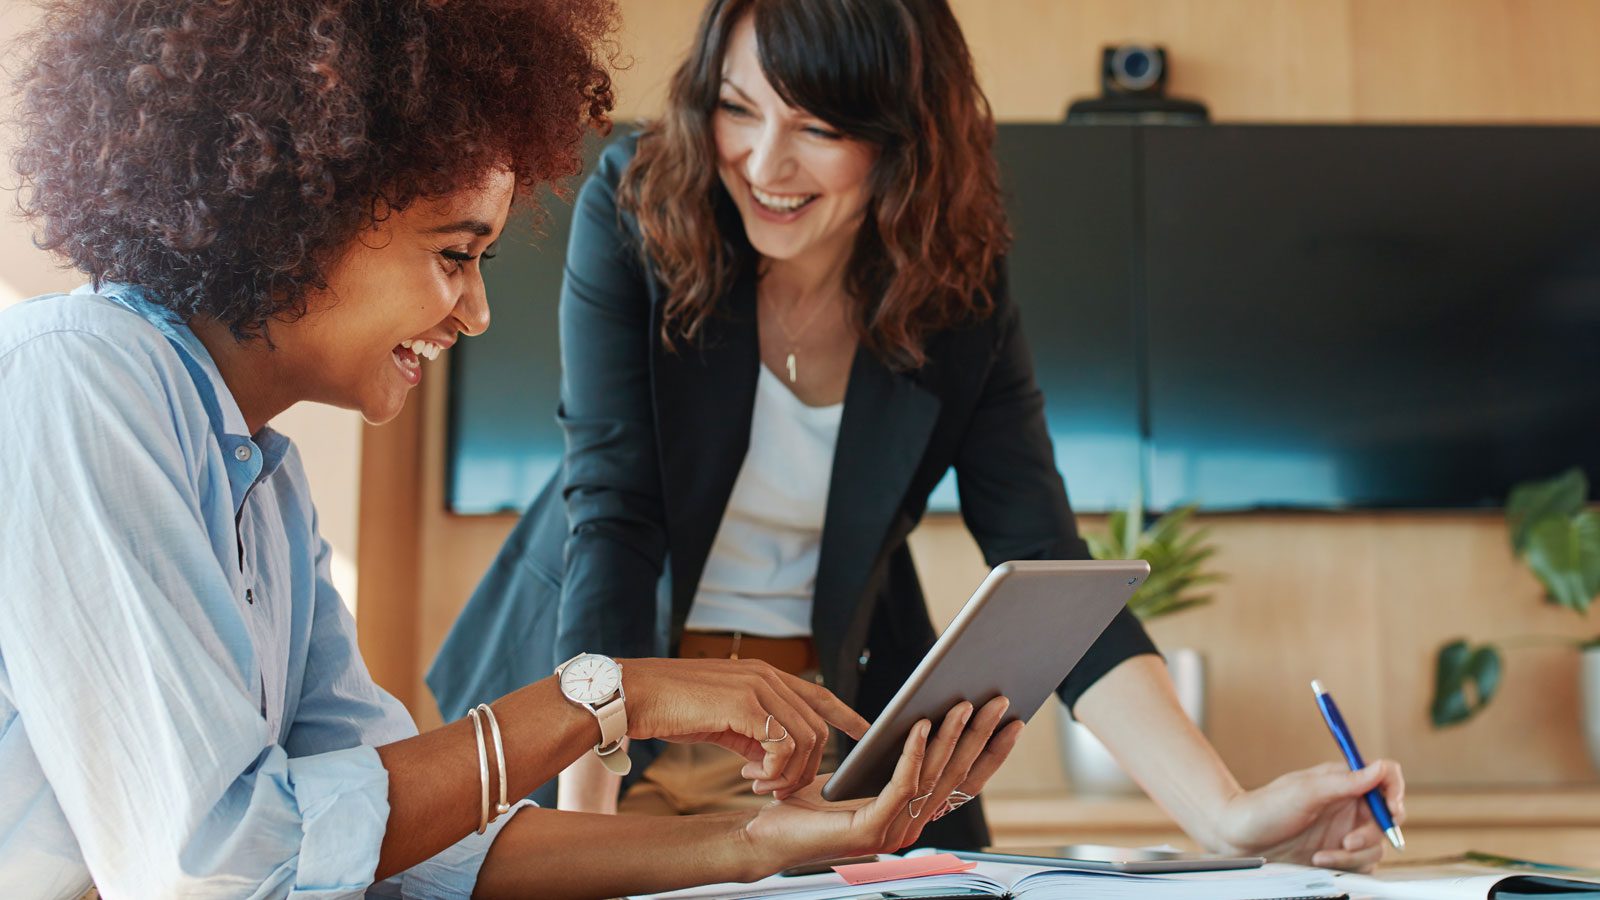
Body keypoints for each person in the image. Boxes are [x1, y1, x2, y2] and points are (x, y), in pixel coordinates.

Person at [0, 1, 1020, 897]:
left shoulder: (266, 484)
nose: (477, 311)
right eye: (456, 255)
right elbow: (220, 864)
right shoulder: (80, 376)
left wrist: (759, 842)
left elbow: (404, 847)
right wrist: (609, 695)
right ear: (299, 209)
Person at [430, 0, 1407, 871]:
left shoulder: (954, 291)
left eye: (816, 126)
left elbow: (1043, 560)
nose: (764, 162)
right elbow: (615, 513)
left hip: (813, 749)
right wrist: (585, 832)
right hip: (596, 726)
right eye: (738, 107)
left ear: (901, 137)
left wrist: (1228, 816)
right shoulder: (640, 205)